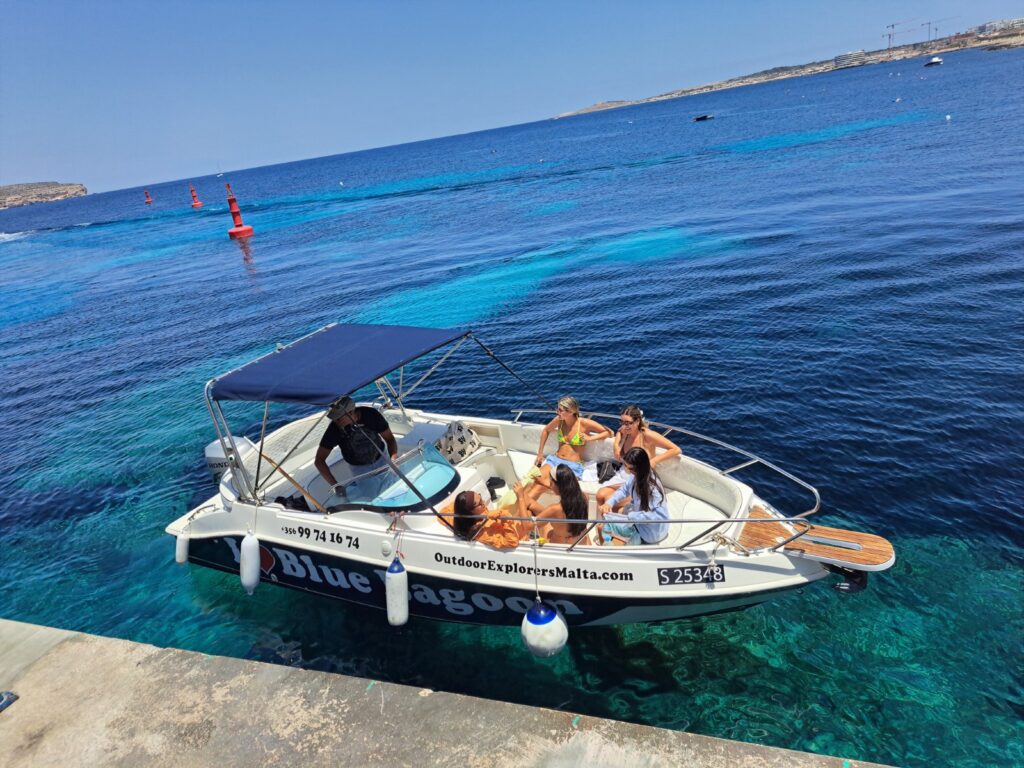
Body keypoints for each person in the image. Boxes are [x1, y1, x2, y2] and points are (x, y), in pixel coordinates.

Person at [596, 405, 681, 509]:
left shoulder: (647, 435)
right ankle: (603, 523)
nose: (624, 426)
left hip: (641, 479)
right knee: (600, 495)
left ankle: (609, 521)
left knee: (610, 501)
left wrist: (654, 460)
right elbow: (619, 431)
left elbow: (676, 449)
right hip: (624, 475)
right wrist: (616, 446)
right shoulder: (626, 431)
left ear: (637, 421)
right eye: (621, 422)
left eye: (627, 423)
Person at [314, 396, 398, 500]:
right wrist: (336, 485)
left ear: (351, 412)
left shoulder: (371, 415)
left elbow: (390, 439)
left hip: (382, 458)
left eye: (339, 418)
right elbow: (319, 461)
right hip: (360, 469)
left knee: (394, 488)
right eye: (335, 418)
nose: (337, 421)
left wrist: (393, 460)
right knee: (373, 497)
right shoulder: (335, 429)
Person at [530, 396, 611, 497]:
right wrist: (540, 453)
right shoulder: (559, 420)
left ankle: (533, 501)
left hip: (573, 465)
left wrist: (589, 439)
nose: (557, 412)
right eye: (557, 409)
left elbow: (608, 433)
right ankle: (524, 509)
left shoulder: (584, 423)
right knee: (534, 483)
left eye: (560, 410)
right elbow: (546, 430)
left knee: (541, 484)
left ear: (571, 411)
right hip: (554, 460)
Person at [598, 448, 669, 545]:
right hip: (639, 521)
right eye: (626, 467)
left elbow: (660, 517)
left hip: (649, 533)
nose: (628, 471)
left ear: (641, 466)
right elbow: (623, 490)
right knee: (612, 514)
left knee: (601, 527)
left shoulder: (653, 489)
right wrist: (609, 503)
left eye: (631, 468)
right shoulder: (636, 475)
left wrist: (632, 517)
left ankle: (610, 544)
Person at [452, 482, 531, 546]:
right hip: (521, 539)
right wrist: (503, 515)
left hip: (515, 527)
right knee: (528, 504)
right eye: (479, 503)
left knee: (528, 504)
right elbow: (512, 542)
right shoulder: (482, 533)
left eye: (480, 497)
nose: (483, 502)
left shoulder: (480, 512)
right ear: (470, 512)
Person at [530, 464, 593, 545]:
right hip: (581, 541)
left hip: (562, 546)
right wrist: (544, 483)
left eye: (551, 481)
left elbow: (528, 526)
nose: (549, 484)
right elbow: (567, 490)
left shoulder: (554, 509)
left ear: (558, 485)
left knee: (531, 508)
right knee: (532, 505)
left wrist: (520, 496)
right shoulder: (585, 497)